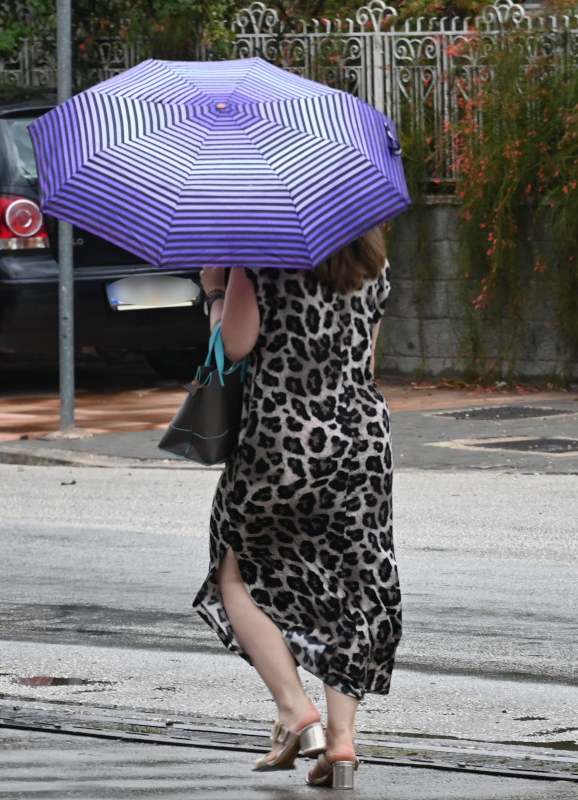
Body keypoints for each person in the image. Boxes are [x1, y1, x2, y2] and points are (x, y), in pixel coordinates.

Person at [192, 227, 402, 790]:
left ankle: (293, 708)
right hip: (362, 439)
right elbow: (367, 357)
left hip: (282, 439)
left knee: (234, 565)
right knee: (352, 582)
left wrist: (216, 290)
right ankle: (341, 743)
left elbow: (234, 345)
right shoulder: (375, 263)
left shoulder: (258, 257)